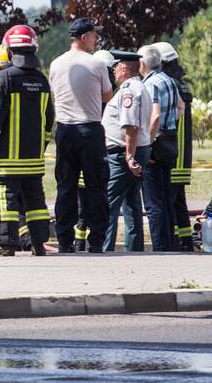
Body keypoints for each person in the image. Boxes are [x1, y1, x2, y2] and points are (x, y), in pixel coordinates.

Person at [0, 25, 55, 257]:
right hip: (33, 161)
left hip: (6, 162)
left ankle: (6, 244)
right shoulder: (42, 80)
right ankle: (39, 245)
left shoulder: (4, 79)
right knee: (36, 203)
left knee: (7, 203)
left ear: (9, 51)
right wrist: (41, 147)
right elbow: (49, 121)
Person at [48, 18, 113, 253]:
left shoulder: (55, 64)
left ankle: (65, 241)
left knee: (66, 187)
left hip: (65, 130)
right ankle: (96, 241)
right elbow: (107, 96)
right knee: (96, 187)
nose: (96, 40)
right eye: (94, 36)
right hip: (90, 130)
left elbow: (55, 92)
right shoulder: (96, 64)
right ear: (84, 38)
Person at [102, 51, 151, 252]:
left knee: (108, 203)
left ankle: (103, 249)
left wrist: (129, 157)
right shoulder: (138, 87)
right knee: (131, 205)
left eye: (115, 68)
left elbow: (130, 126)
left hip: (123, 155)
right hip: (131, 152)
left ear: (123, 69)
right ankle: (134, 248)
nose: (113, 72)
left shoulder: (129, 90)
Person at [138, 44, 183, 252]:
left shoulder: (150, 84)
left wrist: (147, 140)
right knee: (165, 198)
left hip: (155, 146)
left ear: (142, 63)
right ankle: (170, 243)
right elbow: (179, 108)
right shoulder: (170, 81)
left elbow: (154, 115)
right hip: (170, 143)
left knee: (153, 201)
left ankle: (160, 246)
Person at [73, 49, 117, 250]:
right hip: (100, 153)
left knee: (82, 207)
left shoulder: (88, 89)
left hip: (84, 151)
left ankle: (79, 243)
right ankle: (93, 243)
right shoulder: (108, 93)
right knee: (97, 201)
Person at [154, 41, 195, 252]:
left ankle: (172, 244)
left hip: (171, 153)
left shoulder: (166, 85)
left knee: (168, 202)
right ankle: (186, 242)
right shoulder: (181, 84)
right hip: (182, 155)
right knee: (178, 202)